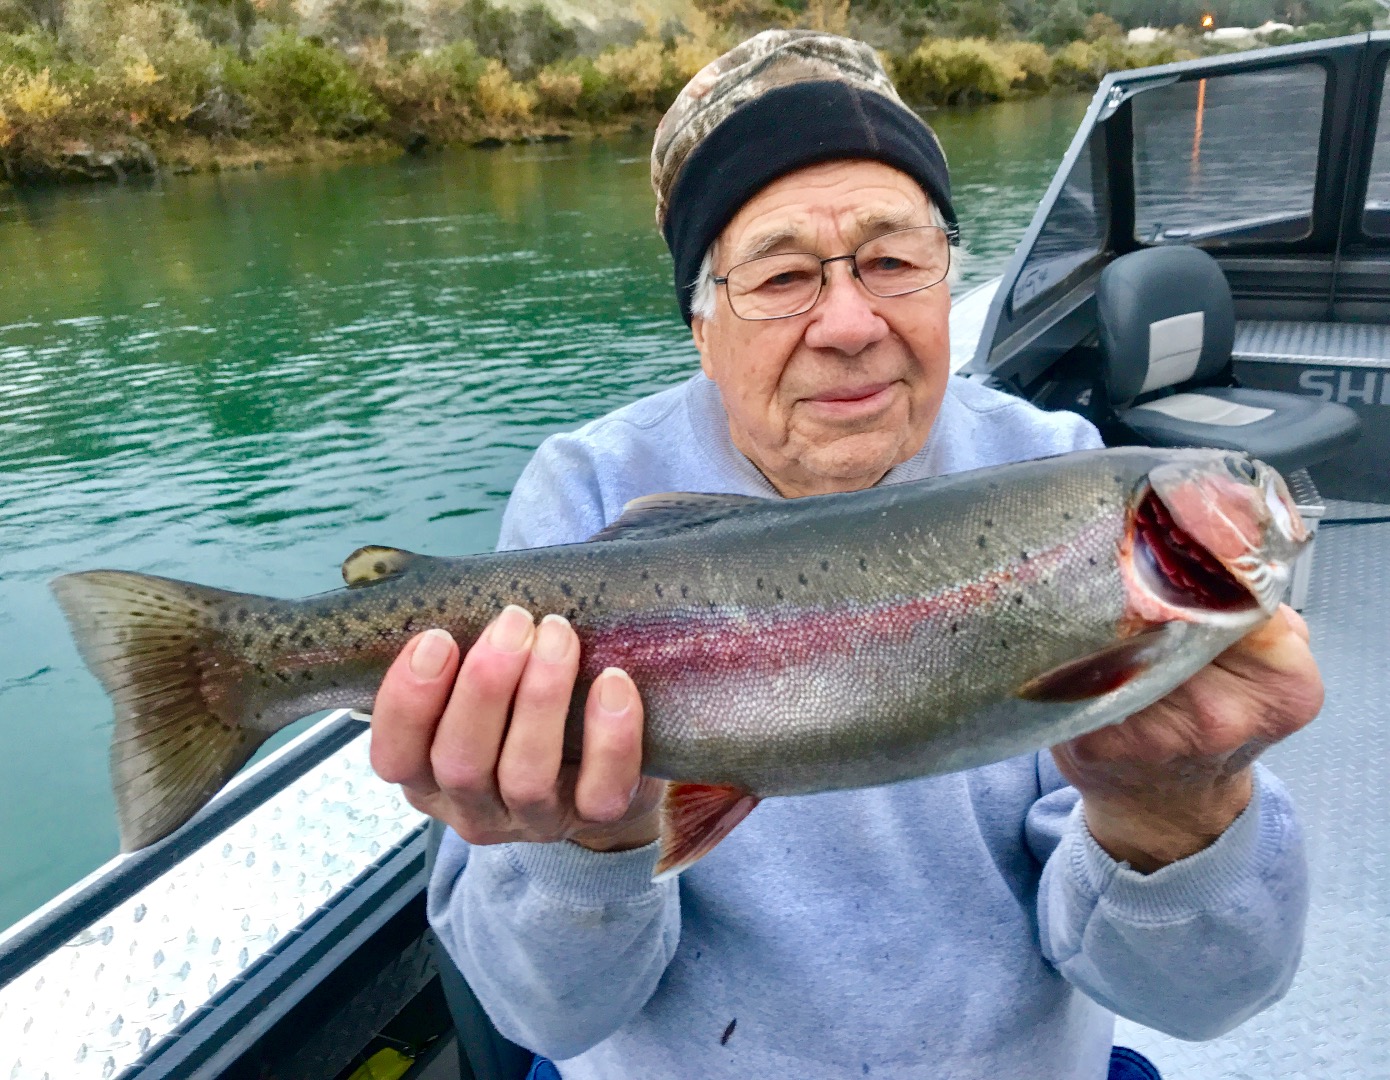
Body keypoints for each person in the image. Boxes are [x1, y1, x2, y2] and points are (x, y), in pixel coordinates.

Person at [367, 30, 1322, 1080]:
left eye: (893, 259)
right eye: (781, 276)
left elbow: (1201, 1002)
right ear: (700, 319)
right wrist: (591, 847)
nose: (851, 322)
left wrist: (1171, 807)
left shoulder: (1058, 476)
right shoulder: (585, 496)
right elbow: (545, 1015)